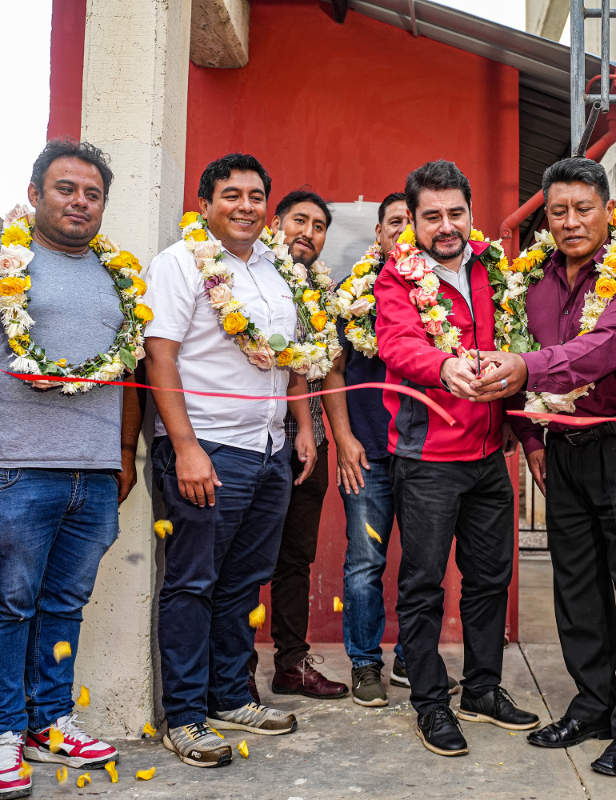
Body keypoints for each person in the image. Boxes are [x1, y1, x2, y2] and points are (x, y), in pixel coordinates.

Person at [0, 139, 138, 799]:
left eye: (92, 193)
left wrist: (123, 456)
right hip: (11, 471)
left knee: (65, 604)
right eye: (66, 189)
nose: (79, 202)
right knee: (8, 605)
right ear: (37, 192)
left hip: (95, 475)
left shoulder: (120, 278)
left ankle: (51, 721)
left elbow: (129, 373)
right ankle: (1, 736)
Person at [471, 157, 616, 777]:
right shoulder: (532, 280)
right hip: (561, 447)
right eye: (558, 211)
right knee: (575, 586)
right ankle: (593, 704)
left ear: (608, 211)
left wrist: (528, 370)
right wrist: (531, 440)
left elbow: (604, 347)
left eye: (583, 208)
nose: (570, 221)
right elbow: (515, 347)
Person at [143, 153, 317, 768]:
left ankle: (229, 695)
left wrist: (300, 429)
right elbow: (159, 358)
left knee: (243, 583)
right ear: (205, 203)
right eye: (231, 195)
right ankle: (187, 717)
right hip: (209, 449)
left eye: (254, 196)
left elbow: (290, 356)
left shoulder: (276, 271)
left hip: (267, 451)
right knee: (192, 583)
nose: (245, 206)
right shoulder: (180, 263)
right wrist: (185, 449)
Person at [373, 160, 539, 757]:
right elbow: (396, 341)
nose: (446, 226)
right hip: (427, 458)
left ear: (471, 214)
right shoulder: (397, 278)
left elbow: (522, 344)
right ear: (413, 221)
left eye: (456, 213)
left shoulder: (494, 269)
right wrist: (442, 366)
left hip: (492, 452)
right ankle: (429, 704)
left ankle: (483, 690)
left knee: (490, 579)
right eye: (432, 216)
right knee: (422, 584)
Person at [323, 192, 460, 706]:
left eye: (412, 221)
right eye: (394, 222)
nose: (403, 230)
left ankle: (412, 656)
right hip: (370, 452)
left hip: (426, 449)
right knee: (365, 561)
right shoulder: (350, 295)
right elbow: (331, 370)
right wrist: (345, 440)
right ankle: (364, 664)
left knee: (424, 562)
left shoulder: (443, 292)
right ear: (379, 233)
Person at [263, 188, 349, 700]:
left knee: (295, 560)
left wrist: (330, 437)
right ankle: (223, 669)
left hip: (308, 442)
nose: (308, 233)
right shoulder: (250, 278)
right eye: (300, 220)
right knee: (239, 558)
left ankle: (291, 664)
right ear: (277, 222)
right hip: (255, 441)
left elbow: (330, 369)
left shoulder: (322, 294)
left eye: (319, 226)